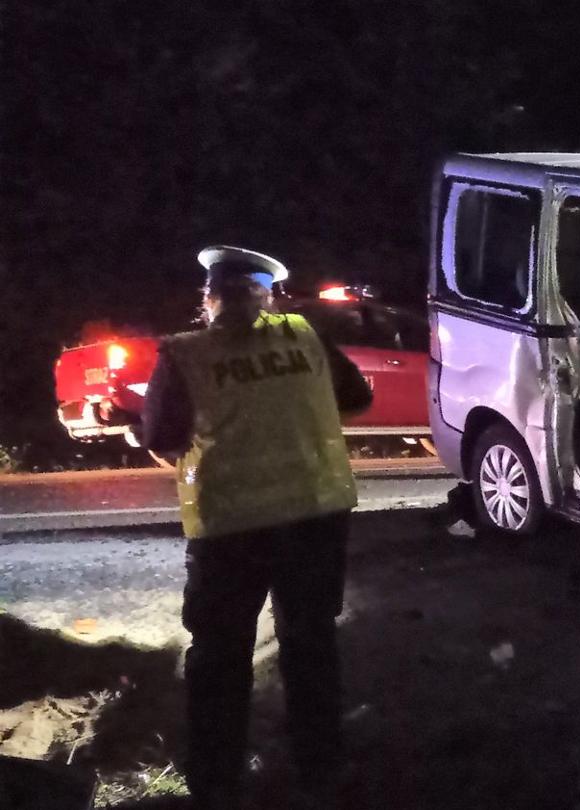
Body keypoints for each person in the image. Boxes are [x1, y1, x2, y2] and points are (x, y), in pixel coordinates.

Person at [140, 246, 372, 810]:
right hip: (313, 516)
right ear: (268, 295)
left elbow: (160, 436)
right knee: (311, 643)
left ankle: (217, 783)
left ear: (209, 299)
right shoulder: (304, 336)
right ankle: (322, 768)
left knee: (220, 655)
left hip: (230, 527)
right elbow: (359, 399)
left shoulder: (184, 353)